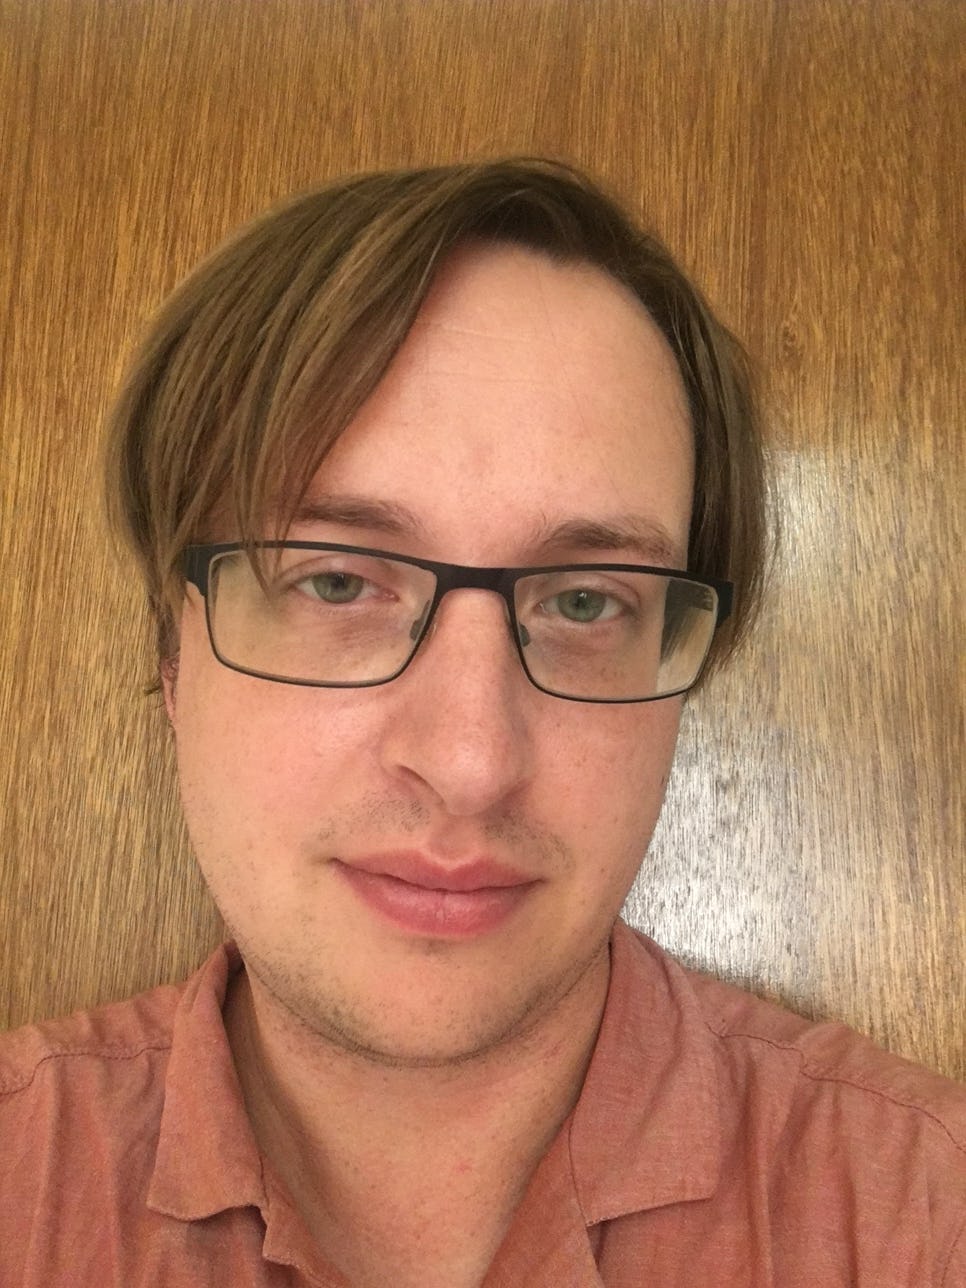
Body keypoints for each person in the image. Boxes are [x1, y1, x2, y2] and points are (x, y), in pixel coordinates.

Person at [1, 159, 962, 1288]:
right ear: (175, 654)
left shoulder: (921, 1217)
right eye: (336, 582)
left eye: (586, 603)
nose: (470, 762)